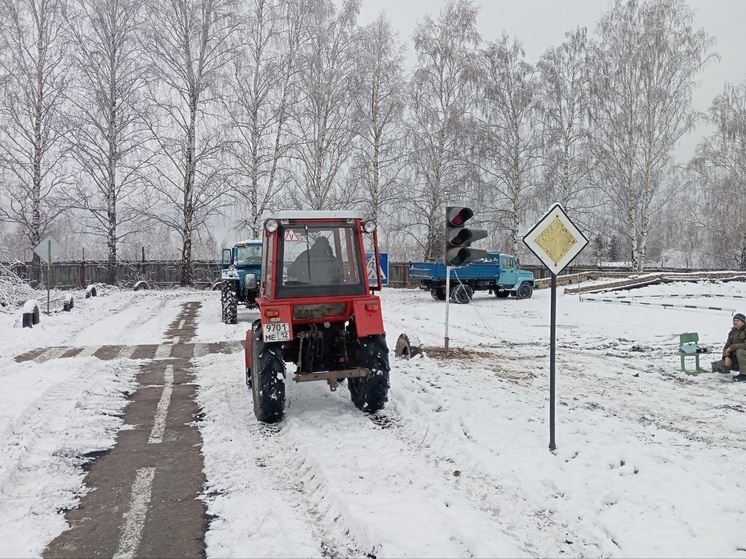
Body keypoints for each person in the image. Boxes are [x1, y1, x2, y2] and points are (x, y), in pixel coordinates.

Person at [712, 312, 746, 381]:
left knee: (740, 351)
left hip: (743, 354)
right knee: (720, 364)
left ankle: (744, 375)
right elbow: (726, 346)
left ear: (743, 322)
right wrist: (726, 357)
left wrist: (731, 348)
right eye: (734, 320)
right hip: (736, 357)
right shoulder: (732, 331)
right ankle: (740, 368)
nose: (735, 322)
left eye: (737, 321)